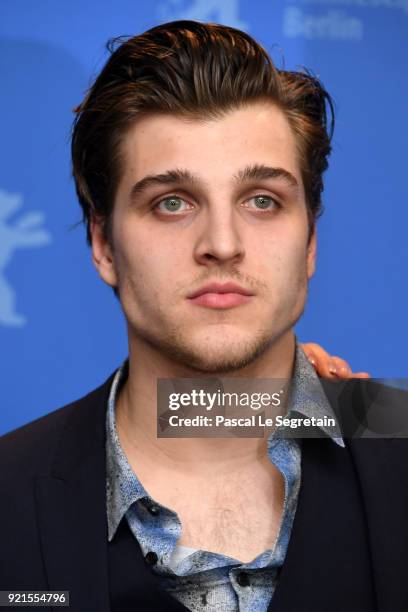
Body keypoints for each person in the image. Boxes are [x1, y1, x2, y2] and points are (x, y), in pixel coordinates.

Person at [0, 20, 405, 612]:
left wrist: (368, 415)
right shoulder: (8, 490)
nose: (221, 242)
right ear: (104, 245)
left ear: (311, 240)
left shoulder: (389, 424)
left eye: (262, 200)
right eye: (171, 203)